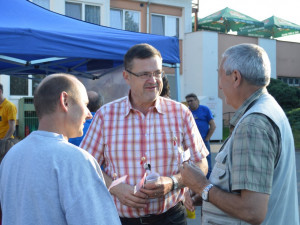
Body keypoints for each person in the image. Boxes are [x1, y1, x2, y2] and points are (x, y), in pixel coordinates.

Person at [80, 43, 209, 225]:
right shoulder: (105, 115)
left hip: (171, 217)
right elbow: (86, 165)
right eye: (144, 74)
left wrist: (173, 182)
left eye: (157, 73)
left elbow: (201, 163)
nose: (153, 80)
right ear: (127, 77)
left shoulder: (180, 113)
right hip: (121, 220)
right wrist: (115, 187)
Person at [180, 43, 299, 225]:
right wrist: (209, 195)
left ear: (235, 77)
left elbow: (252, 211)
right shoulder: (267, 107)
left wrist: (202, 186)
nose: (219, 86)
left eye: (220, 76)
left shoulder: (252, 124)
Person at [0, 73, 121, 225]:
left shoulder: (12, 155)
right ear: (65, 101)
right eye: (85, 104)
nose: (89, 114)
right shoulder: (76, 160)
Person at [185, 93, 216, 178]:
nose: (189, 103)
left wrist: (206, 139)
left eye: (191, 101)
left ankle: (208, 182)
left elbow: (213, 125)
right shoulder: (187, 111)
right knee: (193, 163)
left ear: (197, 100)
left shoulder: (205, 109)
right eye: (188, 102)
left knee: (207, 163)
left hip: (204, 142)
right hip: (191, 143)